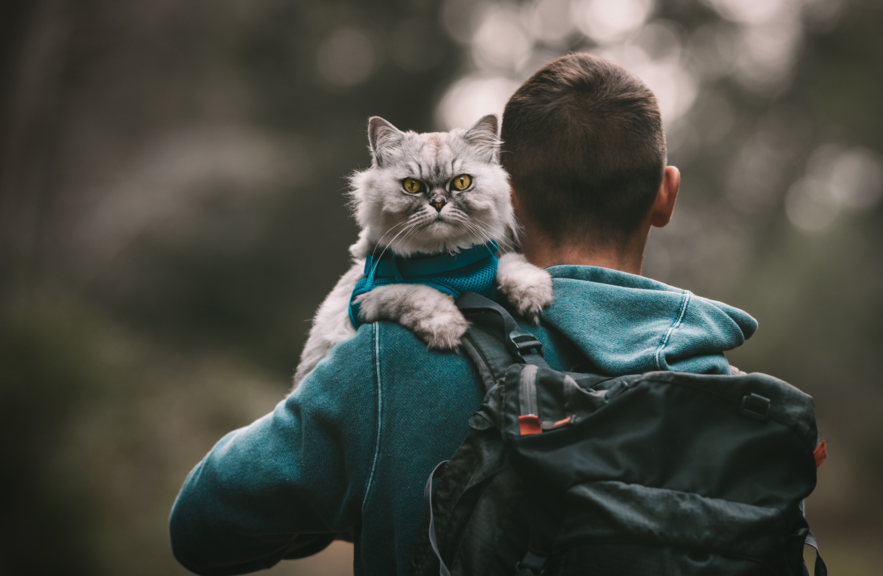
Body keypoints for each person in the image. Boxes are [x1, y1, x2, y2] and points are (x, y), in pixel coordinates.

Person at [169, 53, 757, 576]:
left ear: (510, 196)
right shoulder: (732, 397)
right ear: (667, 194)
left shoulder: (389, 360)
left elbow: (200, 527)